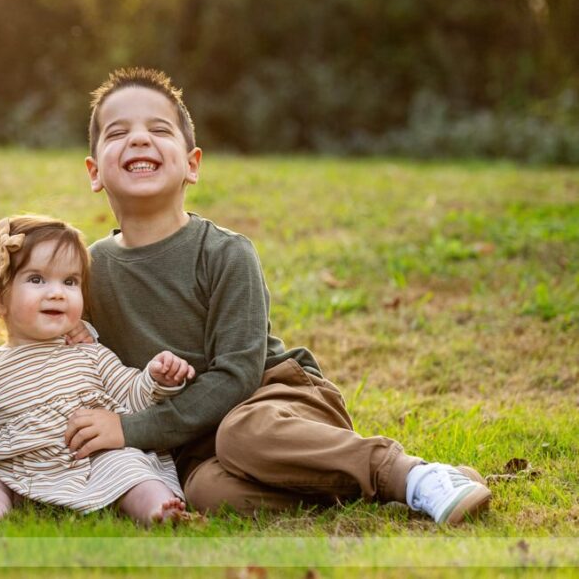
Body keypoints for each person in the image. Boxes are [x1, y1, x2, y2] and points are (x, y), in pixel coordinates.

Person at [64, 67, 492, 526]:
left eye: (159, 129)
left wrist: (129, 431)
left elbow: (237, 376)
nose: (139, 140)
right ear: (94, 172)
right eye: (119, 132)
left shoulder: (225, 252)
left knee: (242, 433)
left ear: (192, 164)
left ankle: (409, 473)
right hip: (196, 447)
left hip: (274, 402)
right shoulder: (88, 271)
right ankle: (383, 485)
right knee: (207, 491)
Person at [0, 215, 196, 525]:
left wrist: (156, 378)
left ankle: (158, 509)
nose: (57, 293)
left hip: (92, 461)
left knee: (130, 466)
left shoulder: (89, 352)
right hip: (20, 470)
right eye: (37, 279)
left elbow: (132, 395)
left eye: (70, 282)